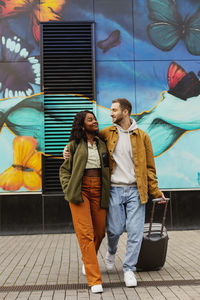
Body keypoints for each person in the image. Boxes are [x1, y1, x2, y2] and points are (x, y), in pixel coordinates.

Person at [63, 99, 166, 288]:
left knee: (135, 232)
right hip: (113, 189)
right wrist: (67, 149)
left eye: (114, 110)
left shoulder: (143, 137)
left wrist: (156, 191)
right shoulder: (105, 134)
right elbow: (84, 140)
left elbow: (150, 168)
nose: (110, 114)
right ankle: (110, 251)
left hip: (136, 190)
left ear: (125, 112)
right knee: (114, 229)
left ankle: (129, 269)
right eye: (111, 110)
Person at [59, 111, 110, 294]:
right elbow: (64, 171)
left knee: (100, 232)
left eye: (95, 119)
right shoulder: (73, 145)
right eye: (90, 119)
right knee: (85, 234)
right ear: (82, 125)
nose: (95, 121)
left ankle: (87, 261)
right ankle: (94, 279)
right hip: (80, 191)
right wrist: (69, 188)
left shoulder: (102, 143)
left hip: (99, 190)